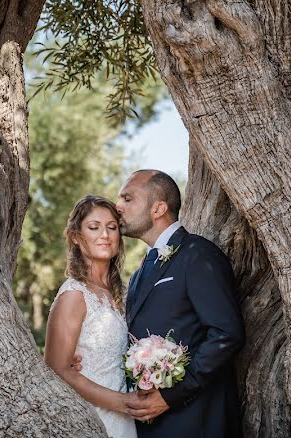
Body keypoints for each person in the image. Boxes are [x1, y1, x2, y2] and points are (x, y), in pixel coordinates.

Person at [118, 170, 245, 438]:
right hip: (151, 423)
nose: (118, 207)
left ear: (159, 208)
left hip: (197, 419)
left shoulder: (198, 255)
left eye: (127, 199)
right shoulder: (140, 271)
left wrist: (171, 395)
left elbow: (226, 334)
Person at [44, 195, 139, 438]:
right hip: (93, 419)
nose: (105, 235)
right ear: (76, 237)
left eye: (112, 227)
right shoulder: (74, 295)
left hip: (129, 420)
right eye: (94, 227)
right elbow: (57, 369)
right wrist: (124, 403)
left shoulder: (126, 294)